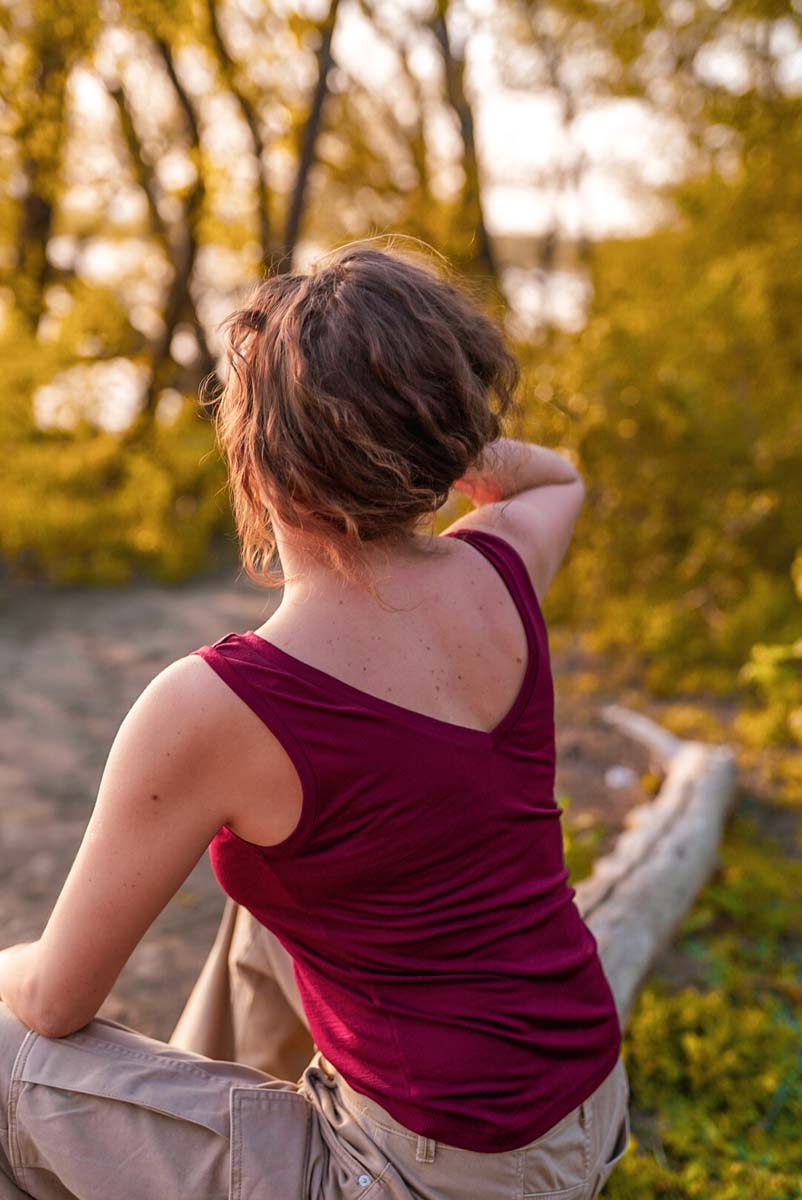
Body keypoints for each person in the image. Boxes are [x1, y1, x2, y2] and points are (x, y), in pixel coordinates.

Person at [0, 239, 631, 1200]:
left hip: (431, 1176)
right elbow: (557, 477)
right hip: (584, 1109)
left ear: (257, 459)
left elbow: (55, 1001)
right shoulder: (500, 569)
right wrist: (429, 435)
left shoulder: (218, 704)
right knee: (262, 918)